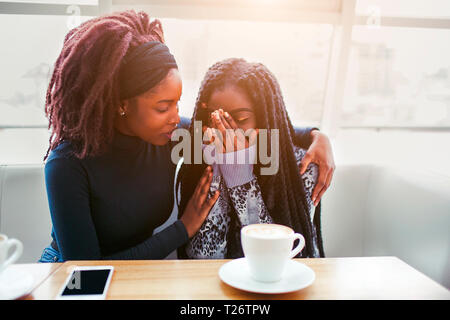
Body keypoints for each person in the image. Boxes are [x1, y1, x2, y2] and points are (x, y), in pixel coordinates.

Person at [38, 10, 335, 262]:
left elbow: (255, 128)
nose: (175, 116)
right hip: (69, 278)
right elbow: (85, 270)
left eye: (177, 103)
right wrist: (184, 227)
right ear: (121, 104)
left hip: (137, 276)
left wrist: (315, 136)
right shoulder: (66, 164)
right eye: (163, 106)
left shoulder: (173, 135)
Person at [177, 58, 325, 259]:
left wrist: (241, 179)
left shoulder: (303, 167)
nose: (224, 129)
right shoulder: (201, 158)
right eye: (215, 118)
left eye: (240, 119)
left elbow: (280, 258)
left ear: (265, 118)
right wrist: (220, 166)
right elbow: (202, 257)